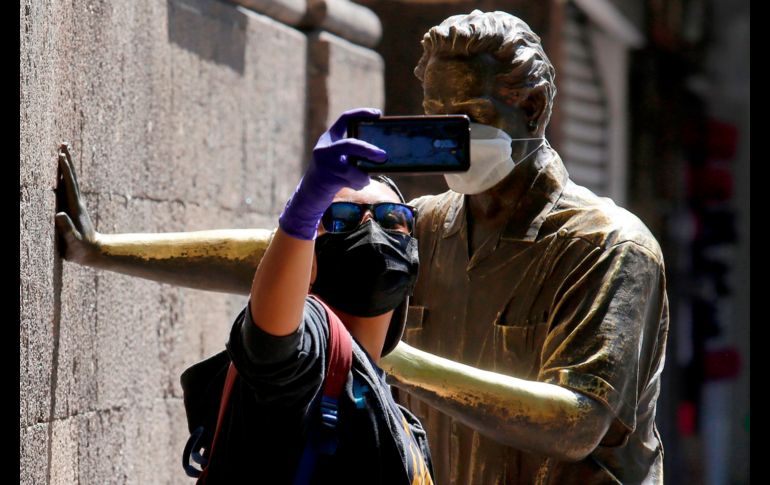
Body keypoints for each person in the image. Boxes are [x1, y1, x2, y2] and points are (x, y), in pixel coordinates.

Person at [56, 10, 668, 484]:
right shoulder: (425, 226)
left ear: (531, 109)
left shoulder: (610, 247)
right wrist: (102, 249)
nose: (447, 132)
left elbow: (577, 423)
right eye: (434, 114)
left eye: (469, 114)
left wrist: (387, 360)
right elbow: (277, 260)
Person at [183, 108, 434, 483]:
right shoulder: (312, 349)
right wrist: (304, 208)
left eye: (392, 218)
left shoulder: (406, 426)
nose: (371, 229)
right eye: (341, 219)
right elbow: (272, 344)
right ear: (309, 262)